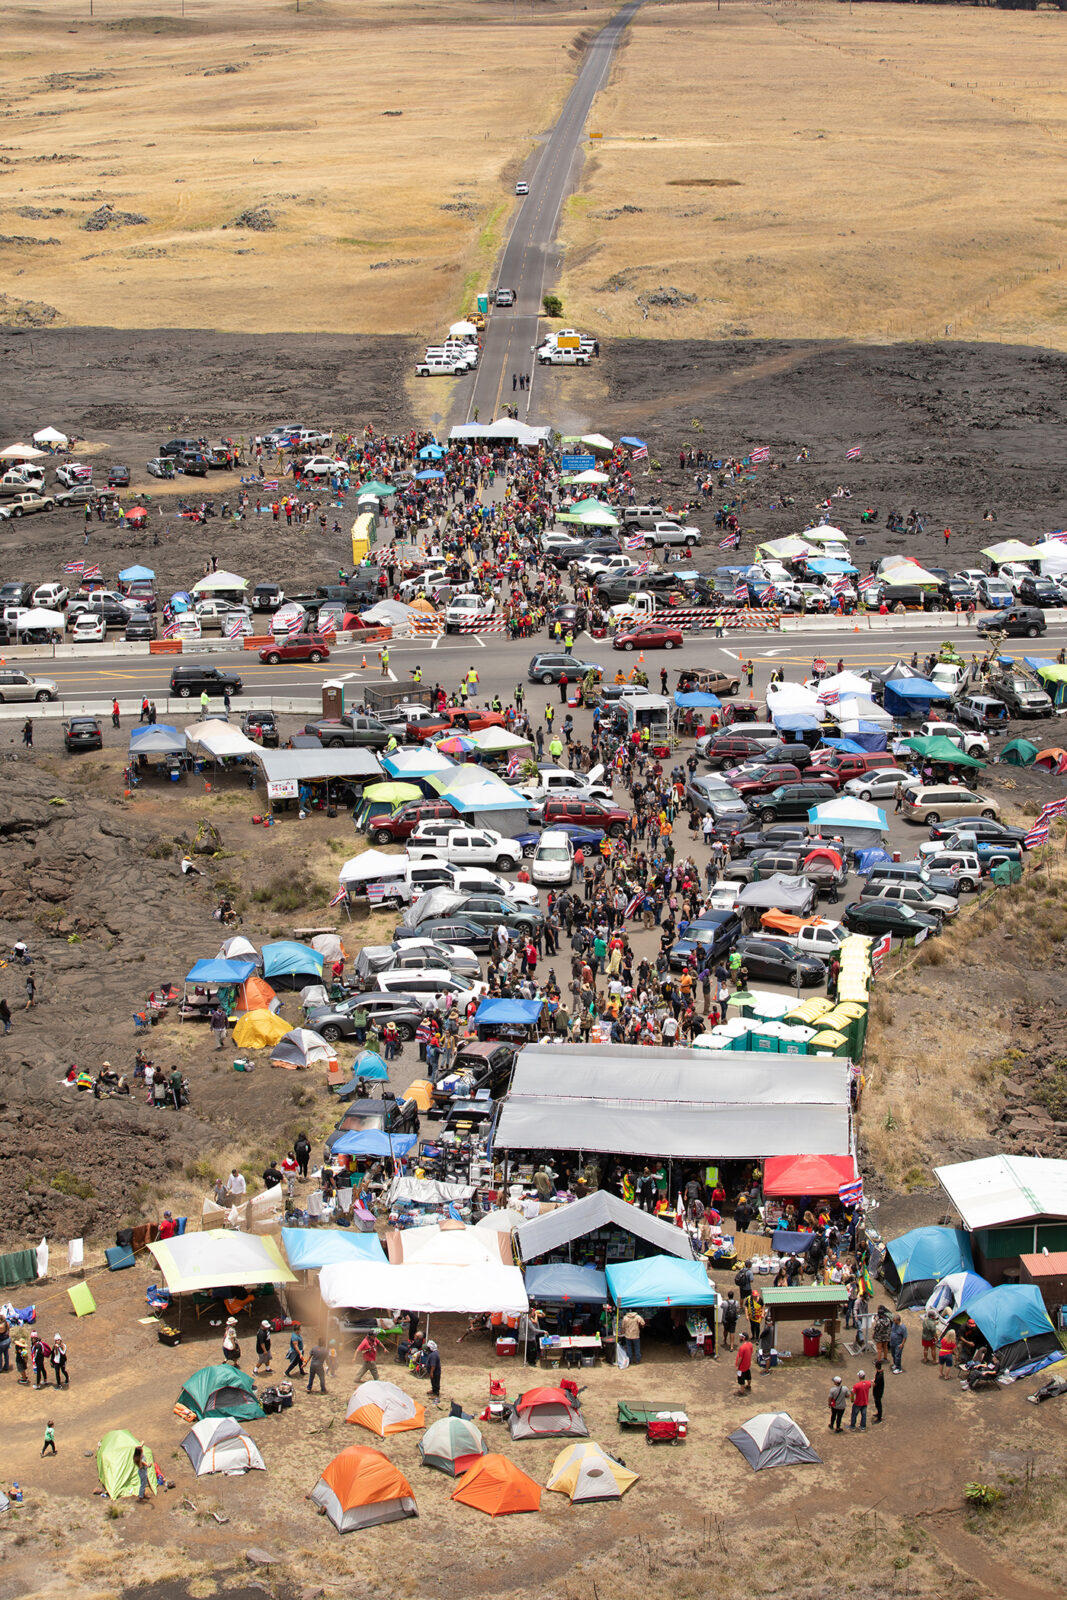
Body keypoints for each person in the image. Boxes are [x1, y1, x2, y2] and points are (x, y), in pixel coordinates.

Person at [423, 1339, 442, 1406]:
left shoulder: (434, 1355)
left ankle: (436, 1394)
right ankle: (433, 1390)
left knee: (435, 1382)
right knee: (432, 1382)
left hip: (435, 1372)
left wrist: (431, 1373)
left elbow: (433, 1365)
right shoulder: (432, 1353)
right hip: (433, 1372)